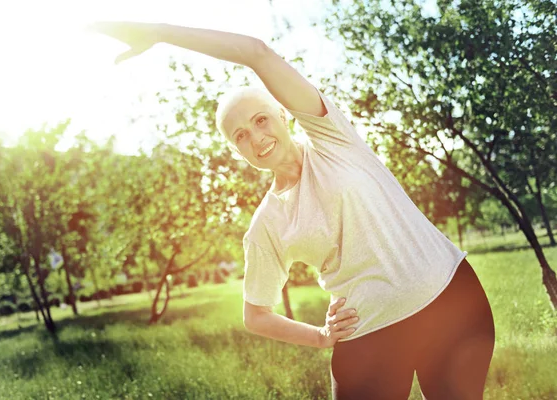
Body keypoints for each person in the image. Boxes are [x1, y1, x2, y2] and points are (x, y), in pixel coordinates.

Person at [89, 21, 496, 399]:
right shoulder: (267, 224)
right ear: (238, 151)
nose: (257, 137)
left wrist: (160, 33)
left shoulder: (332, 138)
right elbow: (256, 315)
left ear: (283, 114)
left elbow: (256, 52)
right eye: (241, 136)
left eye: (262, 119)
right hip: (369, 336)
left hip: (450, 303)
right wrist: (320, 336)